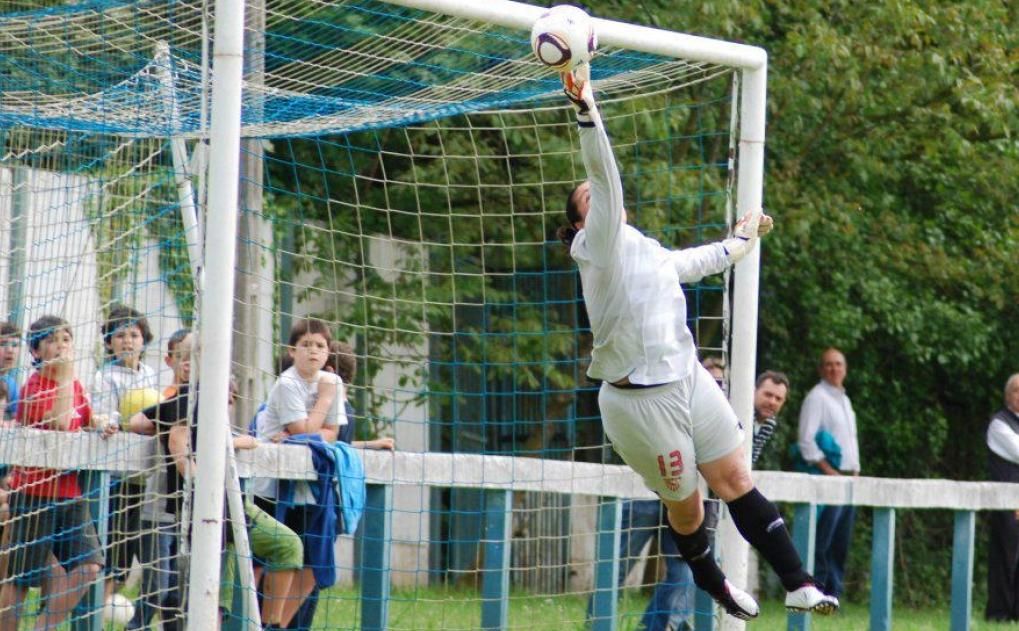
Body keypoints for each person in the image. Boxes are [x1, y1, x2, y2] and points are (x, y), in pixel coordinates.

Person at [554, 62, 836, 620]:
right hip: (638, 404)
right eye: (586, 199)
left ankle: (799, 581)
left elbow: (698, 261)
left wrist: (742, 238)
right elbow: (605, 177)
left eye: (595, 196)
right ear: (583, 223)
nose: (599, 198)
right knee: (687, 510)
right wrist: (587, 109)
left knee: (734, 478)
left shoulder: (646, 249)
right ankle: (714, 583)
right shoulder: (598, 247)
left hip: (687, 378)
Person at [131, 374, 306, 630]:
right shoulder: (183, 404)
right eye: (229, 397)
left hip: (227, 506)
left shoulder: (198, 410)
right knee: (196, 594)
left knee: (283, 548)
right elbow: (180, 451)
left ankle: (271, 624)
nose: (230, 403)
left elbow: (137, 422)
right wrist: (231, 444)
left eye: (232, 399)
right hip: (202, 509)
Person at [0, 315, 108, 631]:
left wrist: (101, 422)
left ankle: (42, 628)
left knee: (89, 566)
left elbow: (84, 418)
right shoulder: (34, 387)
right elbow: (61, 422)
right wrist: (65, 378)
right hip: (33, 493)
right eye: (51, 341)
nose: (60, 346)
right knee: (20, 579)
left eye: (65, 339)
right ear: (36, 352)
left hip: (69, 494)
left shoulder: (74, 384)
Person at [252, 318, 345, 630]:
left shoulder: (332, 382)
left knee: (310, 564)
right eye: (306, 345)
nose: (313, 351)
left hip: (310, 490)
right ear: (292, 351)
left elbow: (331, 433)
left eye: (320, 346)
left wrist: (307, 435)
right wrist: (325, 401)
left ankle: (278, 626)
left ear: (328, 353)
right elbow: (303, 429)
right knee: (270, 562)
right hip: (272, 489)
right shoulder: (287, 383)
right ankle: (254, 620)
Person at [92, 304, 160, 606]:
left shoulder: (150, 375)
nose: (128, 341)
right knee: (111, 543)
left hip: (143, 476)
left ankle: (113, 605)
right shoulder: (105, 378)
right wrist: (114, 424)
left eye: (134, 334)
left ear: (144, 340)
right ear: (109, 342)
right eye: (120, 335)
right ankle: (96, 610)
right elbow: (105, 417)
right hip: (115, 477)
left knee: (131, 546)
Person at [126, 329, 192, 630]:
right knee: (158, 587)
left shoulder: (204, 399)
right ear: (171, 361)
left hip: (187, 511)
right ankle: (134, 626)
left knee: (178, 590)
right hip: (160, 507)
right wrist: (161, 430)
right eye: (183, 357)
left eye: (195, 357)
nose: (189, 363)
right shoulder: (173, 402)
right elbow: (137, 421)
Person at [796, 347, 860, 598]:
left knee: (840, 543)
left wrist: (855, 472)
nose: (834, 368)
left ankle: (834, 596)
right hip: (829, 479)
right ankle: (816, 593)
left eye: (838, 364)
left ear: (845, 369)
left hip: (849, 480)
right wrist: (829, 471)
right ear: (821, 369)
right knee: (822, 541)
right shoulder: (817, 397)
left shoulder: (844, 400)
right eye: (828, 364)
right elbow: (806, 441)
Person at [985, 373, 1019, 621]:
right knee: (1005, 558)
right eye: (1017, 390)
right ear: (1008, 396)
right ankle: (999, 614)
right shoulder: (999, 423)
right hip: (1006, 502)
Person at [751, 371, 790, 466]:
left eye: (778, 399)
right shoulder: (740, 414)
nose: (772, 402)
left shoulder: (770, 422)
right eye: (768, 395)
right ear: (754, 392)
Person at [0, 322, 22, 419]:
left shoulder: (11, 383)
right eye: (3, 344)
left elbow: (17, 419)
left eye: (15, 345)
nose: (10, 350)